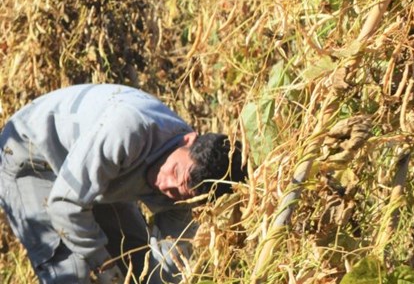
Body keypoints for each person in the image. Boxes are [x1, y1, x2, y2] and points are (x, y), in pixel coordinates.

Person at [0, 84, 245, 283]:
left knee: (135, 259)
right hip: (31, 154)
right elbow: (64, 205)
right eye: (174, 171)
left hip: (97, 176)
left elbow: (169, 266)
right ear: (188, 140)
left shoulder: (186, 194)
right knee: (71, 272)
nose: (164, 184)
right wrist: (107, 270)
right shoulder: (127, 130)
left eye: (175, 193)